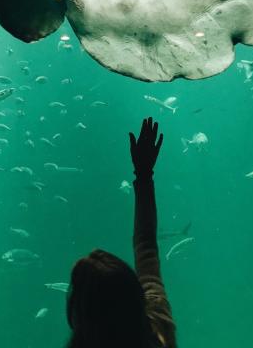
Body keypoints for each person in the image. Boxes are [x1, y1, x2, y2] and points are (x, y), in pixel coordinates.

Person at [66, 117, 177, 348]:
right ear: (135, 296)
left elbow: (146, 246)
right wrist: (144, 175)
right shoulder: (159, 328)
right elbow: (146, 245)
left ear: (78, 312)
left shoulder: (159, 320)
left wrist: (144, 176)